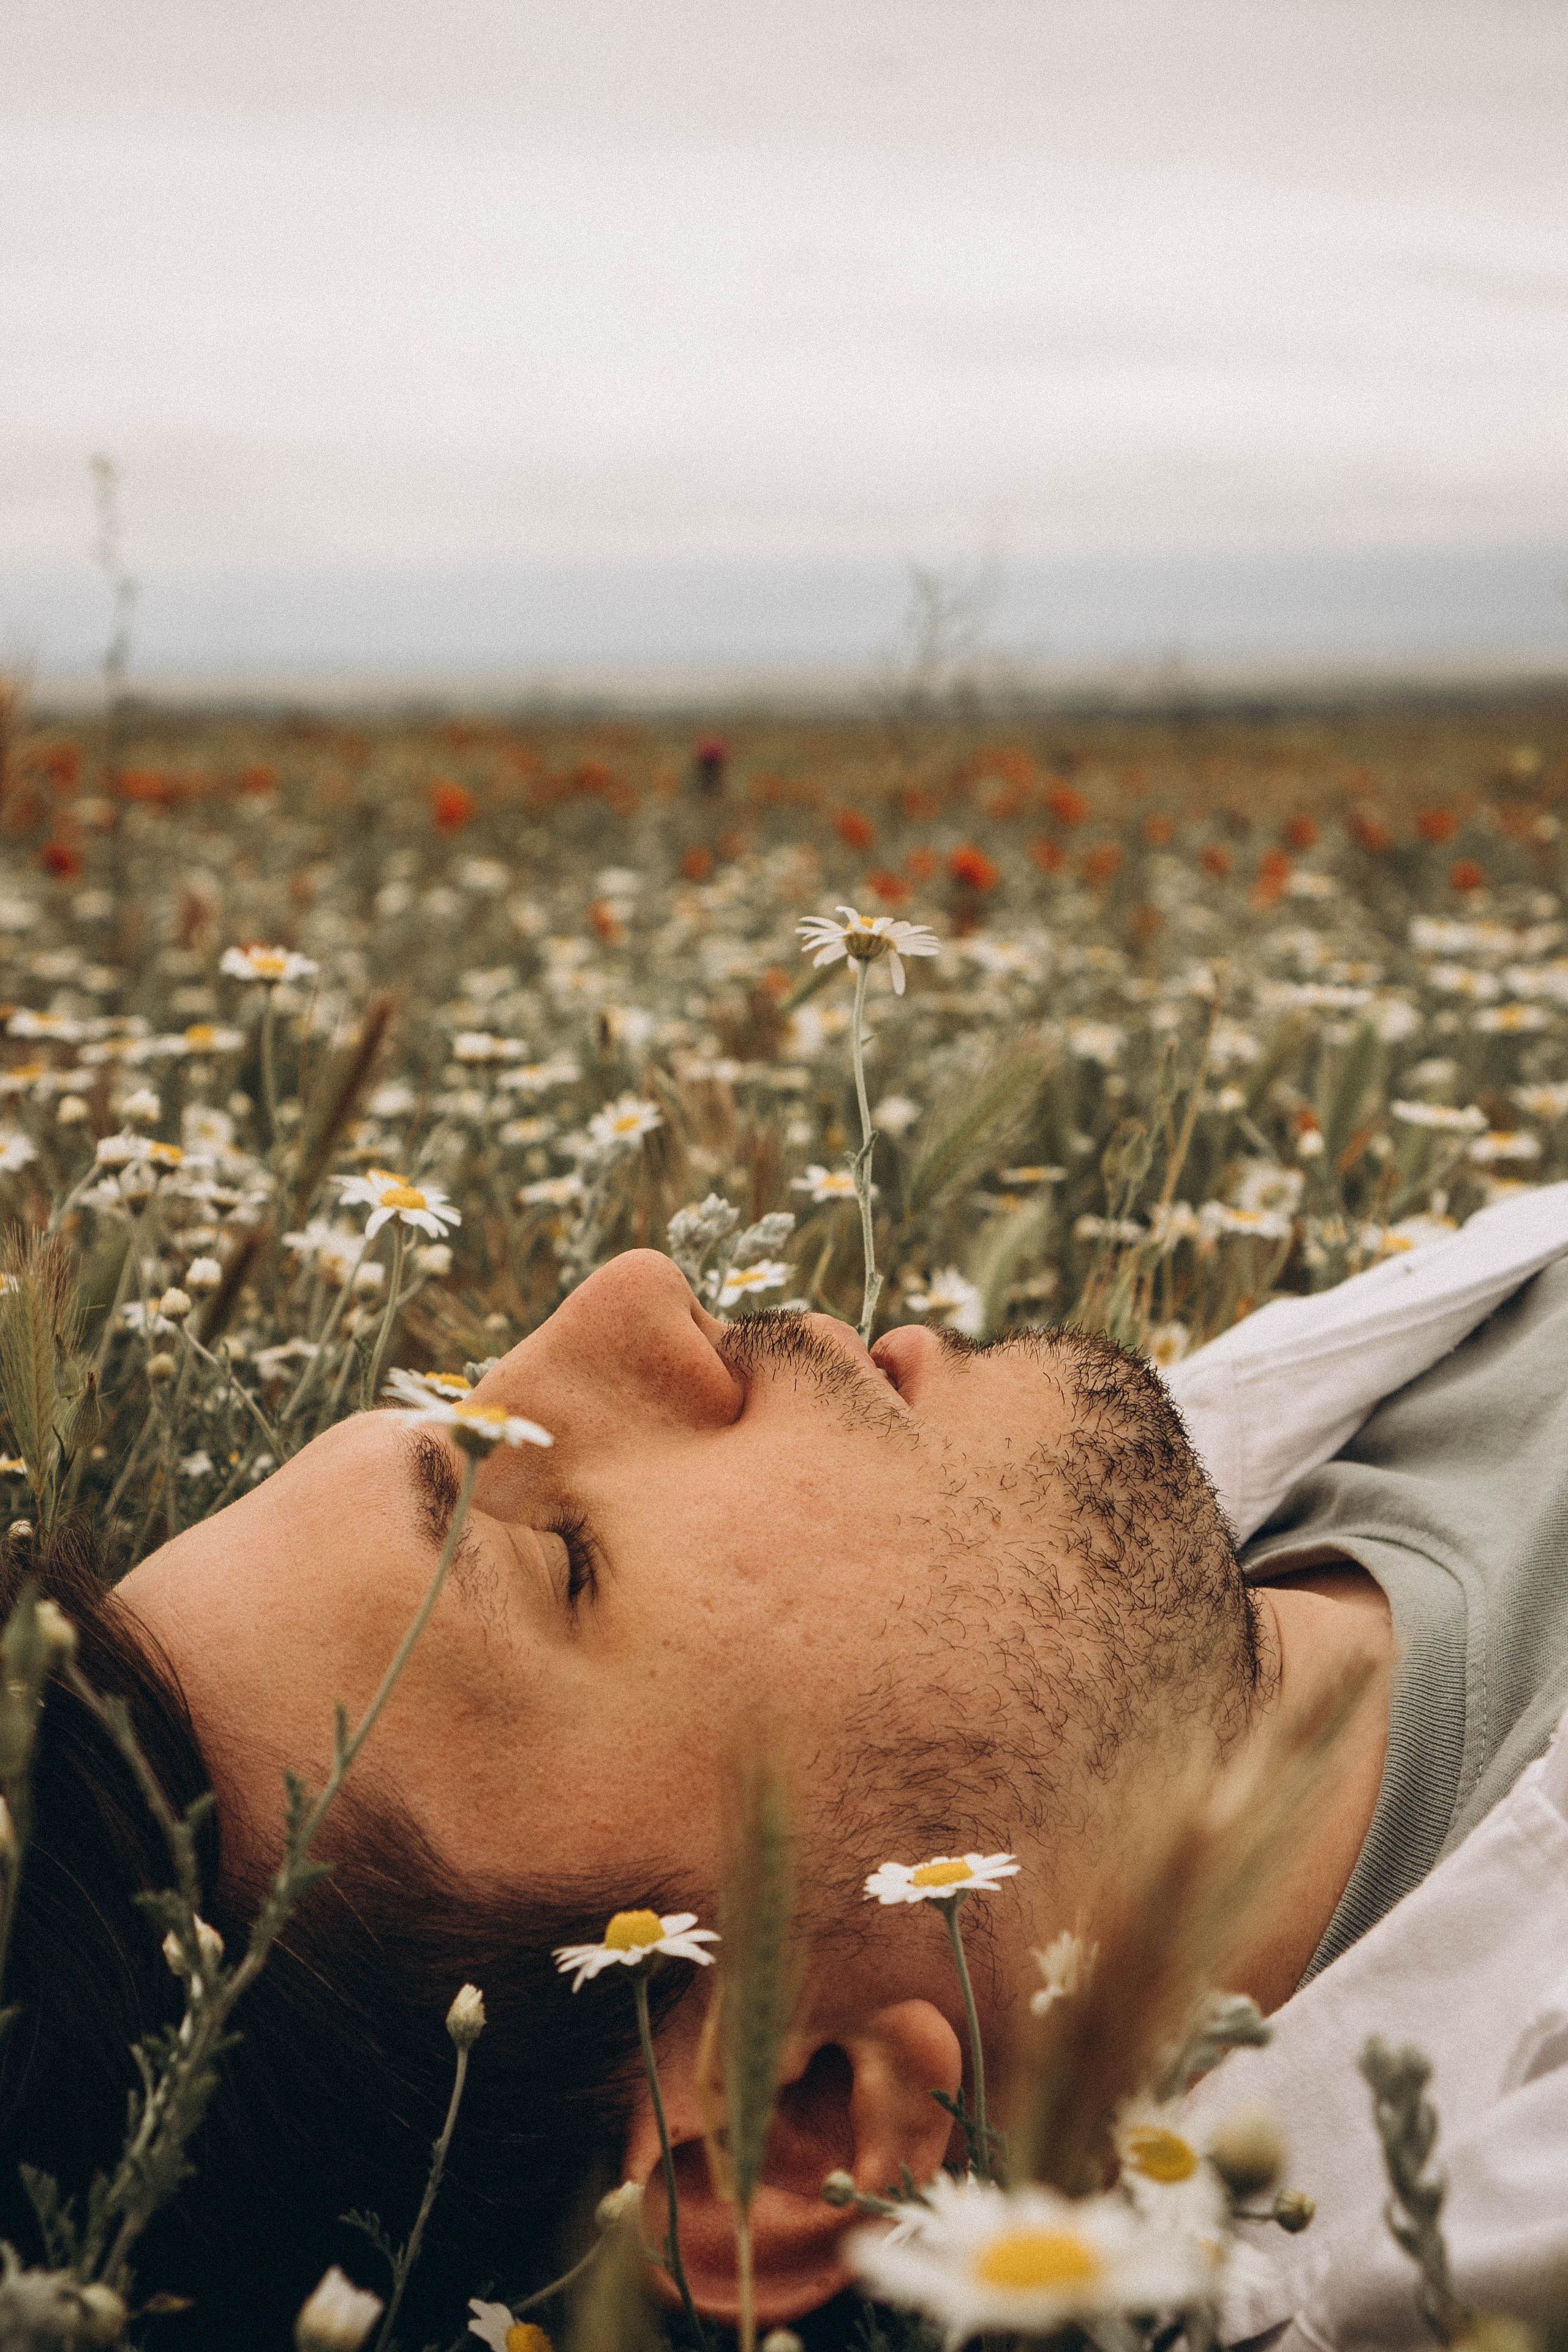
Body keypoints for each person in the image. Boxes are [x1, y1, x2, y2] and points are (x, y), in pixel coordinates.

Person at [3, 1194, 1567, 2346]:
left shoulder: (1168, 1513)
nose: (634, 1297)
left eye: (475, 1405)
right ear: (794, 2127)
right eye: (562, 1559)